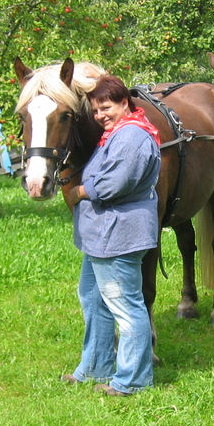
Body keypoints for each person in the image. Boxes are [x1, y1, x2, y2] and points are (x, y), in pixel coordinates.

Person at [61, 75, 161, 396]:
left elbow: (113, 184)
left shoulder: (132, 136)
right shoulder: (115, 133)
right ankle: (95, 365)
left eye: (106, 107)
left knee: (126, 306)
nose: (101, 115)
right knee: (93, 299)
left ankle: (132, 379)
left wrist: (77, 191)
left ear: (124, 103)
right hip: (100, 237)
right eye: (95, 110)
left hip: (118, 235)